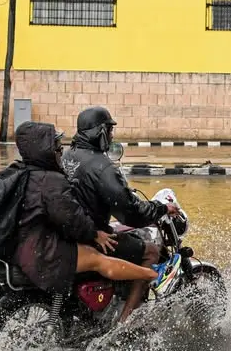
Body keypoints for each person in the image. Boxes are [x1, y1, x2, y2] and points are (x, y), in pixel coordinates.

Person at [10, 121, 169, 296]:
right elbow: (71, 215)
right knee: (136, 254)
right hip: (46, 248)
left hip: (30, 243)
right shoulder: (52, 179)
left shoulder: (21, 172)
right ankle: (132, 310)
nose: (60, 151)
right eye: (56, 148)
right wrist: (95, 234)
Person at [61, 106, 178, 323]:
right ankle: (126, 321)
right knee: (150, 252)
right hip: (93, 236)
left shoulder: (68, 156)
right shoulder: (102, 166)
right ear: (99, 132)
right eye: (109, 130)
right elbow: (130, 214)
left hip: (70, 232)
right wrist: (160, 208)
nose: (112, 135)